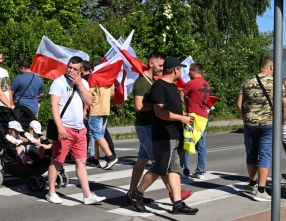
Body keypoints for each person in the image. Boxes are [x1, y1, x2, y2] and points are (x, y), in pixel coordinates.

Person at [128, 57, 199, 215]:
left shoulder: (173, 87)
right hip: (163, 135)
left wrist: (184, 114)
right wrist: (181, 118)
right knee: (160, 168)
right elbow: (160, 111)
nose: (182, 72)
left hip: (174, 133)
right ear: (175, 70)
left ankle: (177, 203)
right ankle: (137, 194)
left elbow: (171, 108)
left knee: (174, 169)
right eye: (180, 69)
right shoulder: (159, 86)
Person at [45, 56, 105, 205]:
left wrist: (79, 84)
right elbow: (53, 106)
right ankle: (51, 192)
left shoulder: (83, 83)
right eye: (69, 67)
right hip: (64, 129)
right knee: (57, 161)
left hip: (80, 130)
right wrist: (60, 127)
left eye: (74, 69)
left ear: (81, 71)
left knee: (81, 162)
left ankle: (87, 195)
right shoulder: (58, 83)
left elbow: (89, 101)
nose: (71, 70)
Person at [236, 56, 286, 201]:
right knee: (264, 155)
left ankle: (252, 184)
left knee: (251, 153)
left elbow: (239, 104)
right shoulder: (277, 83)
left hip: (250, 124)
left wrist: (244, 117)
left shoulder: (247, 82)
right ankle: (261, 190)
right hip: (269, 124)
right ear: (271, 67)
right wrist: (282, 122)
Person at [87, 58, 118, 170]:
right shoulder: (109, 77)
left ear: (93, 68)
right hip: (106, 109)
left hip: (96, 110)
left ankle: (110, 157)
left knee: (97, 134)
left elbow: (89, 95)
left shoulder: (93, 77)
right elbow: (112, 93)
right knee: (99, 134)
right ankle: (95, 159)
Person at [182, 63, 211, 180]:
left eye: (189, 71)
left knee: (187, 143)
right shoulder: (206, 84)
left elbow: (181, 95)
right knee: (201, 145)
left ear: (194, 71)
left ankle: (185, 170)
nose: (188, 73)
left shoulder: (191, 83)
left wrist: (184, 101)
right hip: (204, 118)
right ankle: (201, 171)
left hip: (193, 118)